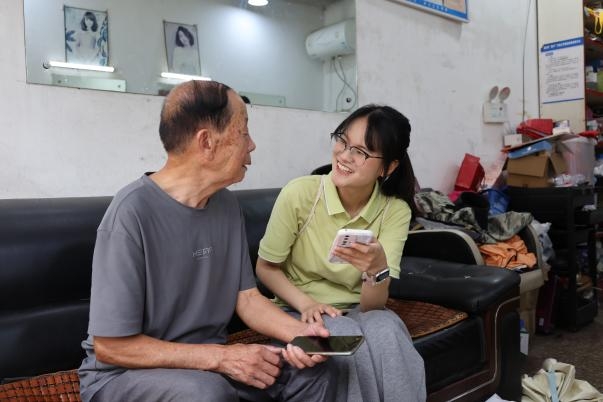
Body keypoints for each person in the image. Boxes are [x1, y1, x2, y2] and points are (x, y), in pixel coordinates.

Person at [78, 80, 337, 402]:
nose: (252, 145)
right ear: (206, 142)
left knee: (314, 371)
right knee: (205, 392)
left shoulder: (226, 205)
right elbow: (111, 346)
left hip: (205, 367)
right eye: (244, 132)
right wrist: (222, 358)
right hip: (124, 377)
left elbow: (247, 299)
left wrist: (302, 335)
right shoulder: (131, 213)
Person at [256, 104, 427, 402]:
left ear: (388, 167)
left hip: (361, 309)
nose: (344, 156)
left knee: (386, 328)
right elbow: (265, 268)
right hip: (298, 310)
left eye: (361, 152)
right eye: (342, 141)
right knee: (344, 333)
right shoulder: (300, 194)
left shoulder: (394, 211)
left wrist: (376, 269)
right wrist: (307, 303)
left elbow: (373, 306)